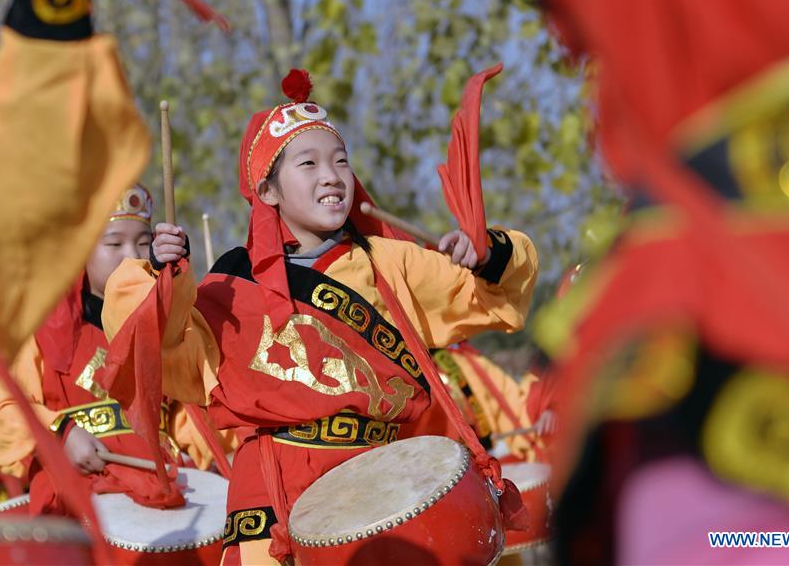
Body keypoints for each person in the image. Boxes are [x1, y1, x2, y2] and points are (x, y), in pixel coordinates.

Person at [99, 69, 538, 564]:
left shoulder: (387, 262)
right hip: (274, 492)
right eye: (308, 164)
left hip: (380, 480)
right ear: (267, 191)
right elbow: (157, 345)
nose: (332, 176)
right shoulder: (230, 284)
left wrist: (483, 254)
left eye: (341, 162)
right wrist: (164, 274)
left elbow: (492, 298)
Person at [0, 185, 191, 515]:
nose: (130, 255)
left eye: (144, 243)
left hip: (165, 496)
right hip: (76, 492)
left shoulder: (167, 330)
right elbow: (1, 404)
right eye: (114, 243)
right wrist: (60, 433)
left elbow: (192, 415)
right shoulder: (40, 329)